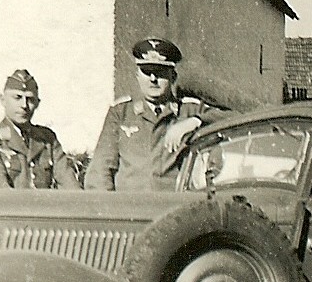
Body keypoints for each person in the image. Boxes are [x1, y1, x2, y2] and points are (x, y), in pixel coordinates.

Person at [84, 38, 229, 192]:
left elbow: (238, 118)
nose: (153, 79)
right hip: (130, 206)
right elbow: (100, 170)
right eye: (147, 72)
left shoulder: (189, 110)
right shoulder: (121, 113)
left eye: (160, 73)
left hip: (173, 206)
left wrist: (195, 121)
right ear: (137, 76)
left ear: (173, 76)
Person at [0, 69, 80, 189]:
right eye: (17, 97)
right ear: (3, 100)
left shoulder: (47, 140)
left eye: (30, 99)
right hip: (10, 207)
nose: (24, 105)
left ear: (38, 103)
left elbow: (71, 187)